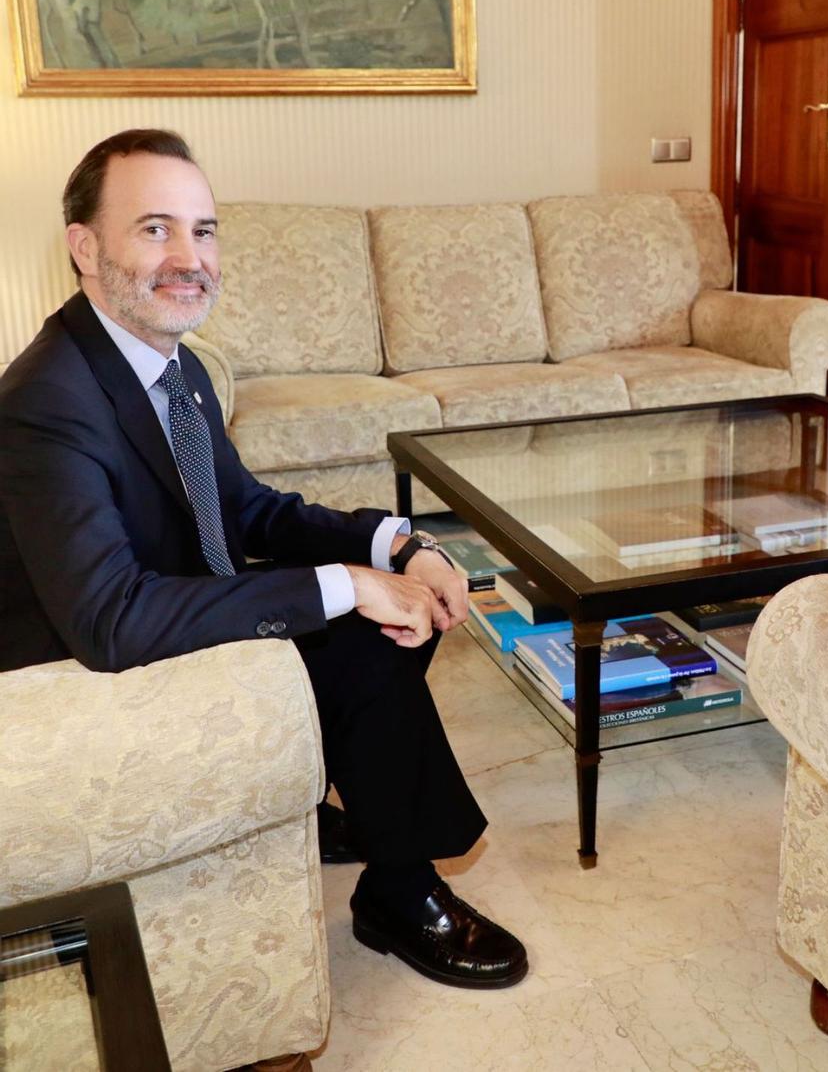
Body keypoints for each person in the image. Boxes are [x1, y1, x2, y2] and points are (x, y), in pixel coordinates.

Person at [0, 129, 528, 989]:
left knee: (404, 607)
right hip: (93, 669)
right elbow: (110, 619)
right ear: (84, 247)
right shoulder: (46, 401)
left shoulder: (175, 365)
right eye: (155, 229)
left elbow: (247, 511)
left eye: (204, 231)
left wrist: (397, 542)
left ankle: (350, 807)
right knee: (362, 639)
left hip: (167, 602)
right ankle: (400, 888)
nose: (189, 258)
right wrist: (345, 587)